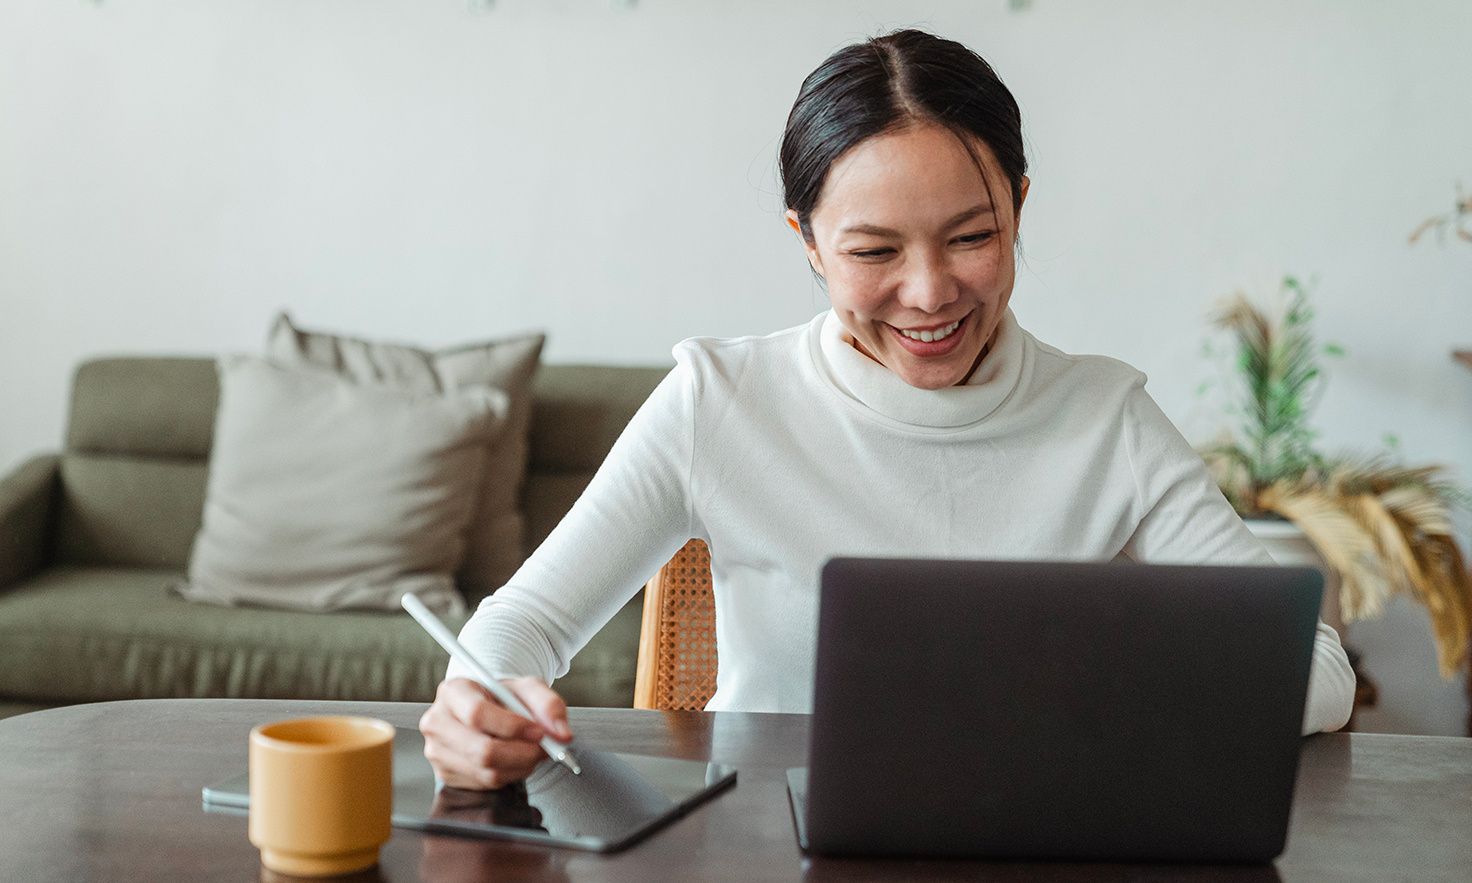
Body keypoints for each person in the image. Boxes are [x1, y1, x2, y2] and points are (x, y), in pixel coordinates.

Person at [420, 29, 1356, 789]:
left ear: (1019, 209)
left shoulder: (1105, 418)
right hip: (765, 843)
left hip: (1032, 842)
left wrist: (1119, 693)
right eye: (873, 252)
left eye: (973, 236)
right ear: (810, 243)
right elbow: (521, 624)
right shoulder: (721, 401)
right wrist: (480, 700)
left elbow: (1316, 667)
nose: (929, 292)